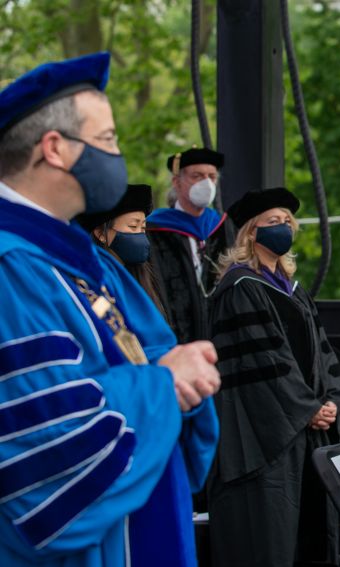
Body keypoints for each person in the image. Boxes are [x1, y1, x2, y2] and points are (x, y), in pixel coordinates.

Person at [0, 52, 220, 567]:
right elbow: (50, 448)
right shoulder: (12, 266)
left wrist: (179, 376)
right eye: (106, 141)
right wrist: (165, 385)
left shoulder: (78, 261)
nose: (116, 156)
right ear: (55, 148)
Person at [208, 187, 340, 566]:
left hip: (306, 430)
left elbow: (322, 353)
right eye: (274, 222)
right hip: (268, 437)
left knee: (312, 531)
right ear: (252, 232)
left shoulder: (294, 289)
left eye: (288, 221)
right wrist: (308, 409)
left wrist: (332, 399)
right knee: (274, 538)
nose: (284, 227)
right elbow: (265, 362)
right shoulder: (239, 289)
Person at [146, 146, 228, 345]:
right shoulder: (155, 230)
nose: (206, 183)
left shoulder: (222, 227)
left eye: (212, 176)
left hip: (217, 336)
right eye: (197, 176)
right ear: (177, 182)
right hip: (174, 334)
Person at [77, 183, 166, 316]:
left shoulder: (144, 277)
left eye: (143, 228)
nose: (140, 234)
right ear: (100, 233)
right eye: (133, 226)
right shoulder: (92, 282)